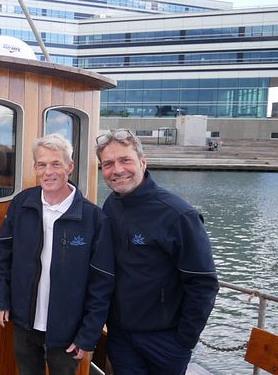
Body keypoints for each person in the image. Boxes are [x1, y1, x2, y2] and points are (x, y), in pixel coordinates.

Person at [95, 129, 218, 375]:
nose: (117, 170)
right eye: (108, 164)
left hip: (165, 341)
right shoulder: (111, 205)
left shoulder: (178, 215)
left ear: (142, 161)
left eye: (125, 160)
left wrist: (183, 340)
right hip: (121, 335)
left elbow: (203, 284)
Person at [0, 133, 114, 375]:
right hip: (24, 322)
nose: (48, 172)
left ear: (69, 166)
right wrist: (1, 300)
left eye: (56, 164)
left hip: (68, 329)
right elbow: (3, 256)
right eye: (42, 164)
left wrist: (88, 334)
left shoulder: (93, 218)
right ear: (35, 168)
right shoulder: (21, 204)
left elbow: (102, 282)